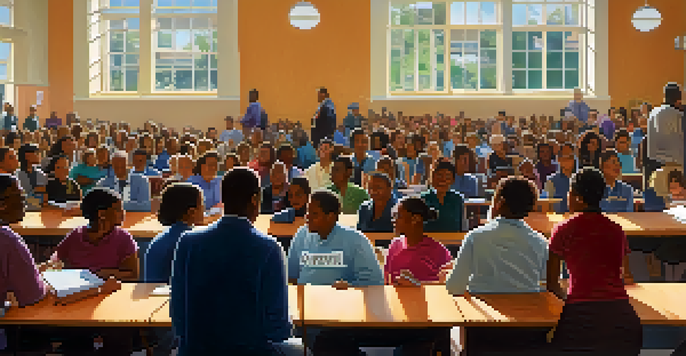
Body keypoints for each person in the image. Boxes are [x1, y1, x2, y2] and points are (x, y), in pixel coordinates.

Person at [172, 168, 308, 356]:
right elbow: (278, 329)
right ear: (254, 200)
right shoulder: (269, 249)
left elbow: (178, 315)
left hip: (195, 350)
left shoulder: (187, 242)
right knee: (302, 349)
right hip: (251, 350)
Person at [446, 176, 549, 355]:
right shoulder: (540, 242)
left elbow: (454, 287)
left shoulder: (476, 237)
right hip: (527, 331)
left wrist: (450, 275)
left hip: (485, 329)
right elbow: (545, 283)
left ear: (499, 202)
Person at [546, 167, 641, 355]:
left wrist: (571, 299)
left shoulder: (564, 229)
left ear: (575, 196)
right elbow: (626, 277)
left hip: (582, 321)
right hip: (623, 321)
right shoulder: (616, 230)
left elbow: (552, 283)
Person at [287, 190, 383, 356]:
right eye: (307, 212)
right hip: (305, 317)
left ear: (330, 217)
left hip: (339, 320)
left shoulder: (356, 240)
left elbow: (375, 284)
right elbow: (292, 277)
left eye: (314, 214)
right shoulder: (301, 236)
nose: (307, 217)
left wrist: (351, 287)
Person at [0, 175, 49, 353]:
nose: (25, 203)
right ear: (2, 204)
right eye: (20, 197)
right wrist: (43, 281)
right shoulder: (8, 240)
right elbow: (31, 295)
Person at [144, 183, 204, 283]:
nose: (204, 210)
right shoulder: (193, 241)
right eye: (202, 204)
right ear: (191, 212)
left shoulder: (158, 239)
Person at [648, 82, 684, 182]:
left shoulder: (653, 113)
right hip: (676, 168)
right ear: (678, 100)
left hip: (655, 167)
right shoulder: (678, 116)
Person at [422, 161, 464, 232]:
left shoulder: (457, 199)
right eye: (439, 175)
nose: (443, 180)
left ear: (452, 180)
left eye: (447, 176)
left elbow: (462, 226)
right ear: (432, 177)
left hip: (453, 240)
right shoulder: (424, 198)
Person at [544, 149, 576, 213]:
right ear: (559, 160)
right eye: (564, 158)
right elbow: (548, 204)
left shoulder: (580, 179)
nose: (568, 161)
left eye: (570, 158)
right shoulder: (551, 181)